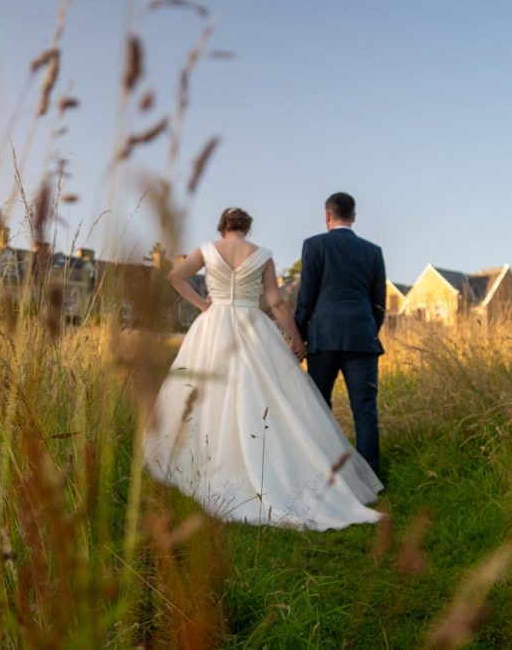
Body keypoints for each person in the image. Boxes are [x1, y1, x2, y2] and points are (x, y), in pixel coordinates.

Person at [143, 207, 383, 530]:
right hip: (251, 326)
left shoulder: (206, 250)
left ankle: (209, 464)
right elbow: (277, 303)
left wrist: (202, 305)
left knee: (205, 395)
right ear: (247, 228)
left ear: (222, 226)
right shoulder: (263, 255)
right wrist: (296, 340)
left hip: (212, 327)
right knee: (264, 396)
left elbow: (175, 276)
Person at [294, 192, 386, 475]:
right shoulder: (373, 251)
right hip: (362, 337)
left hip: (323, 338)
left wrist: (298, 336)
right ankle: (370, 476)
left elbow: (306, 298)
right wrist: (369, 329)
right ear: (354, 217)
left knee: (319, 407)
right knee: (365, 410)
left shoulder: (314, 246)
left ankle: (321, 470)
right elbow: (379, 303)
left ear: (327, 216)